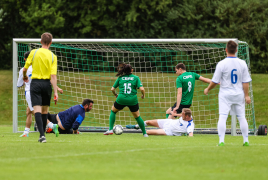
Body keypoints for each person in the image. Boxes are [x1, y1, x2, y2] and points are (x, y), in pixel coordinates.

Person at [204, 40, 252, 146]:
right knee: (242, 117)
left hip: (225, 94)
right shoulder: (242, 63)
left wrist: (207, 89)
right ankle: (246, 141)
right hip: (239, 94)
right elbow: (245, 82)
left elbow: (215, 82)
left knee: (223, 116)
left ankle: (221, 141)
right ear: (236, 50)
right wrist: (247, 95)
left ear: (226, 50)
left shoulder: (221, 64)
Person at [18, 51, 63, 137]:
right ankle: (26, 132)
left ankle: (51, 126)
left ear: (25, 59)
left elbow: (19, 84)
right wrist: (57, 88)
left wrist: (25, 79)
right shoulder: (39, 67)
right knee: (29, 111)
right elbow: (49, 78)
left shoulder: (24, 69)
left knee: (36, 112)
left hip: (31, 92)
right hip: (42, 90)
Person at [23, 32, 58, 143]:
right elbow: (53, 76)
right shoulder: (53, 56)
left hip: (35, 83)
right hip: (47, 84)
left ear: (40, 41)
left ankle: (42, 135)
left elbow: (25, 69)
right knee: (44, 111)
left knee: (37, 110)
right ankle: (43, 135)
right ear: (51, 43)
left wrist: (24, 76)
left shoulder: (34, 52)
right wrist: (56, 92)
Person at [103, 64, 148, 137]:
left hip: (121, 98)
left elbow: (112, 89)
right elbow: (142, 89)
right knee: (137, 116)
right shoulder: (136, 78)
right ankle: (144, 133)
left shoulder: (120, 78)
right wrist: (143, 95)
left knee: (113, 111)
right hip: (132, 99)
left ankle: (110, 129)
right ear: (132, 70)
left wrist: (115, 94)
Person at [128, 108, 194, 136]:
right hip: (167, 122)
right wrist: (175, 114)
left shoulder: (190, 125)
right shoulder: (187, 116)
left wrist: (190, 137)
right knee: (148, 122)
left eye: (182, 114)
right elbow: (182, 115)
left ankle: (139, 130)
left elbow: (190, 133)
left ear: (187, 116)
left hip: (169, 131)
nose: (181, 115)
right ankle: (136, 126)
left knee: (147, 132)